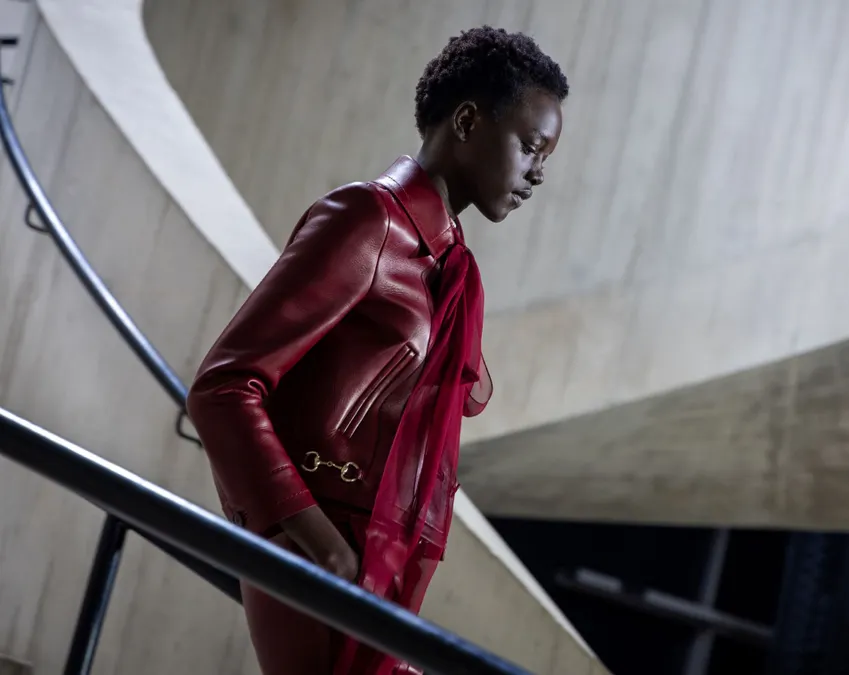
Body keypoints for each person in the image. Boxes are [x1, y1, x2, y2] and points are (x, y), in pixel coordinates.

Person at [186, 26, 567, 675]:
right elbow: (223, 387)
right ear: (468, 121)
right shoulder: (368, 220)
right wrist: (316, 544)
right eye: (530, 147)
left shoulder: (446, 266)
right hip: (325, 554)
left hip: (381, 559)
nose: (537, 175)